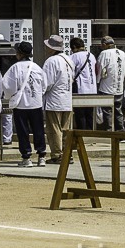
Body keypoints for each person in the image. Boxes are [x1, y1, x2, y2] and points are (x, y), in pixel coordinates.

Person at [1, 41, 48, 167]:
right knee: (38, 129)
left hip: (21, 104)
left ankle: (26, 157)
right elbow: (44, 86)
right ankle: (41, 155)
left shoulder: (15, 68)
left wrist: (9, 96)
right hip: (36, 103)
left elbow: (7, 86)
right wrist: (38, 95)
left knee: (23, 131)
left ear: (19, 54)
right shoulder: (37, 67)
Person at [41, 36, 73, 164]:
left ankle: (57, 154)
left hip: (54, 99)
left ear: (51, 47)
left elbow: (47, 83)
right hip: (67, 98)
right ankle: (67, 153)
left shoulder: (51, 61)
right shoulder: (68, 59)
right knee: (65, 129)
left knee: (54, 128)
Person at [96, 35, 125, 129]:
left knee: (107, 111)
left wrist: (97, 81)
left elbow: (99, 68)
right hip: (119, 87)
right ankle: (120, 132)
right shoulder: (122, 53)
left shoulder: (104, 53)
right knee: (118, 110)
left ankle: (109, 131)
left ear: (104, 44)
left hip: (106, 87)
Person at [68, 37, 99, 130]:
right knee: (89, 114)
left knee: (80, 114)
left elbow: (70, 72)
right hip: (92, 89)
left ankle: (82, 135)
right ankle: (90, 135)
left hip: (81, 89)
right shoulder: (91, 55)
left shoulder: (74, 56)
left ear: (74, 47)